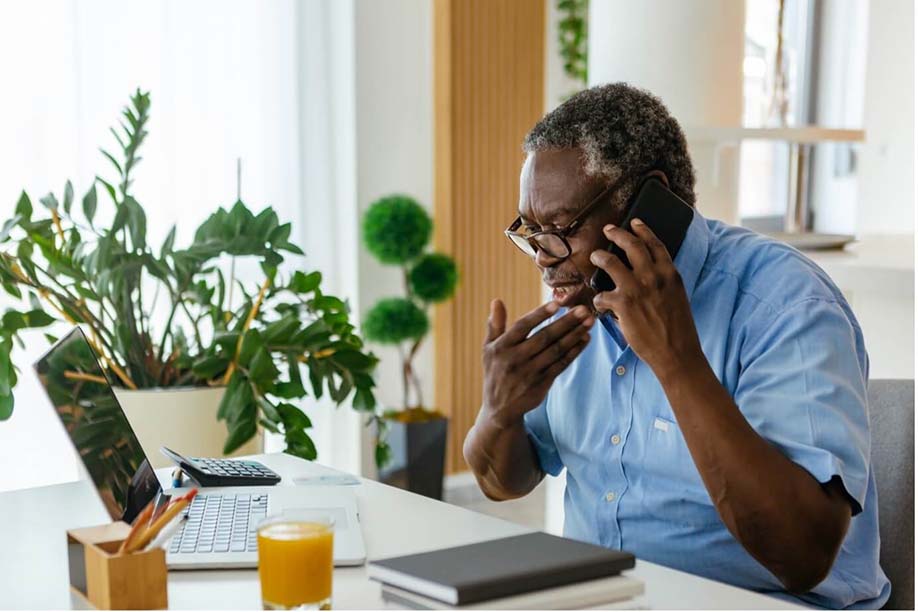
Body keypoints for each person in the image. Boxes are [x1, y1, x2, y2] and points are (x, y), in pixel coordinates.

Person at [463, 83, 890, 609]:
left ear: (651, 204)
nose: (542, 256)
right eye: (531, 229)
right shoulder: (579, 299)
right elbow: (506, 481)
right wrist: (499, 413)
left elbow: (801, 557)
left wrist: (676, 359)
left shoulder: (787, 304)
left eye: (560, 228)